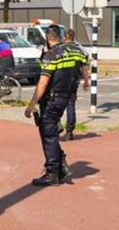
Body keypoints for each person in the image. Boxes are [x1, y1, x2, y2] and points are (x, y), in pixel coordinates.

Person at [24, 25, 86, 186]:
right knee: (50, 132)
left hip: (52, 99)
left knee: (48, 133)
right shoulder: (75, 50)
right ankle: (59, 165)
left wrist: (31, 106)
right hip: (67, 97)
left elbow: (43, 83)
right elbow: (84, 66)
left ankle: (53, 172)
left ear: (47, 38)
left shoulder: (52, 55)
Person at [61, 29, 91, 140]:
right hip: (74, 81)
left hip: (61, 81)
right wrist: (86, 82)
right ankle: (69, 131)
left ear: (65, 37)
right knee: (70, 104)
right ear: (74, 37)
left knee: (57, 103)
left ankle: (58, 125)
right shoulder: (79, 51)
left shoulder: (61, 49)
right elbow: (84, 68)